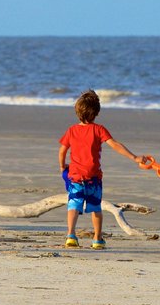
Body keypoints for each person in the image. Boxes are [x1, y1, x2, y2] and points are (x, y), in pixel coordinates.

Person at [58, 90, 146, 250]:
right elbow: (115, 144)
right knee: (96, 208)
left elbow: (62, 150)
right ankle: (97, 239)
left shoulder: (71, 130)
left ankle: (71, 235)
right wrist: (134, 157)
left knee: (73, 206)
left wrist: (62, 166)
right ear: (96, 112)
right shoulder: (99, 130)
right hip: (93, 178)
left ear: (77, 111)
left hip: (75, 177)